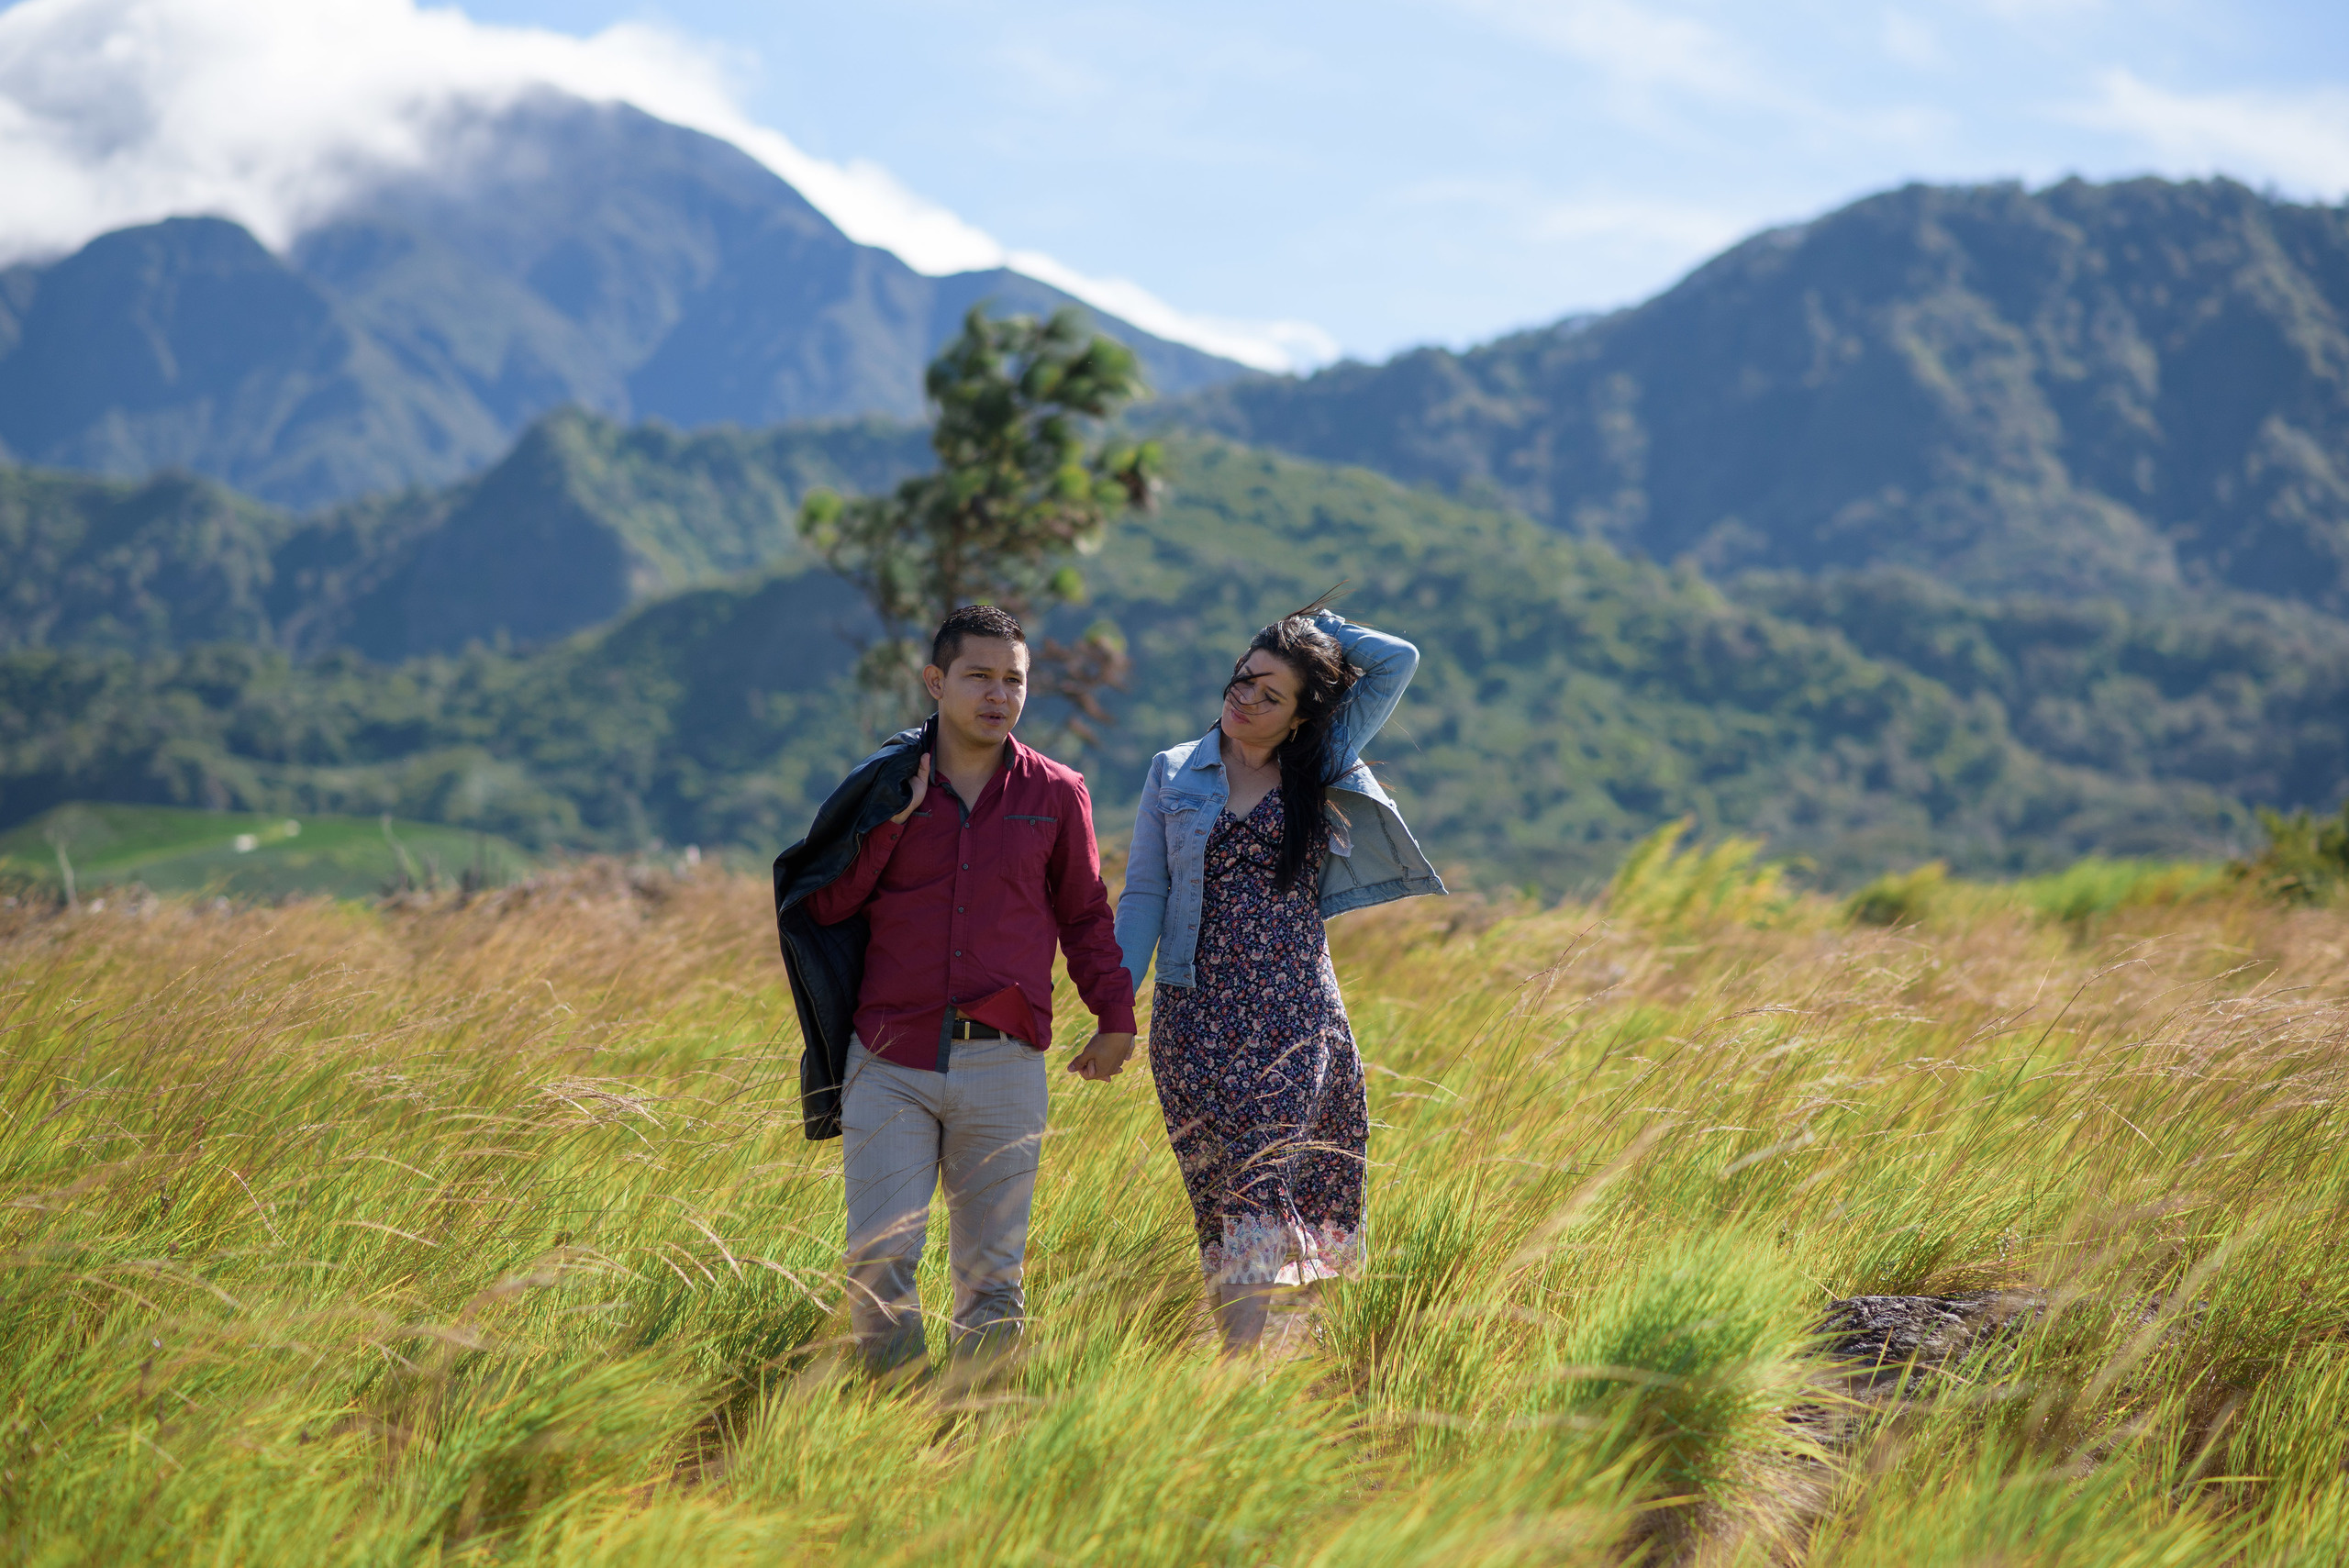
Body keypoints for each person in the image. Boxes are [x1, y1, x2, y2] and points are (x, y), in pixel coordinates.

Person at [773, 605, 1137, 1374]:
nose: (998, 694)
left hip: (1005, 1064)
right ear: (936, 682)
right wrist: (892, 827)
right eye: (979, 675)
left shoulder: (1057, 793)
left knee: (993, 1277)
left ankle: (977, 1437)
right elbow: (825, 905)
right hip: (890, 1059)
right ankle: (893, 1429)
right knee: (879, 1266)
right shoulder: (881, 789)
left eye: (1014, 679)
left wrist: (1115, 1015)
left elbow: (1085, 912)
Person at [1116, 602, 1444, 1352]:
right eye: (1244, 680)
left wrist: (1319, 625)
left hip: (1293, 1012)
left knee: (1258, 1187)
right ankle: (1268, 1352)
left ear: (1303, 717)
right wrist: (1114, 1002)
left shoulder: (1316, 764)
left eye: (1271, 695)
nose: (1246, 700)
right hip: (1192, 1014)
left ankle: (1239, 1370)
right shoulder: (1173, 771)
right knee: (1219, 1198)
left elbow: (1398, 659)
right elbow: (1145, 893)